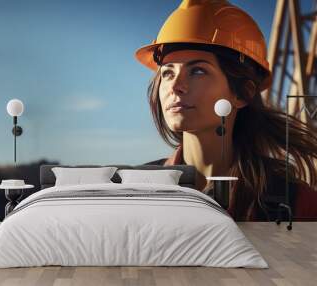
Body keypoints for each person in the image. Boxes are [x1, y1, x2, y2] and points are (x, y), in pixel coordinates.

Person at [135, 0, 317, 221]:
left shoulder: (295, 204)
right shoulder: (137, 191)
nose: (175, 86)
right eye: (167, 73)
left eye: (198, 71)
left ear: (243, 94)